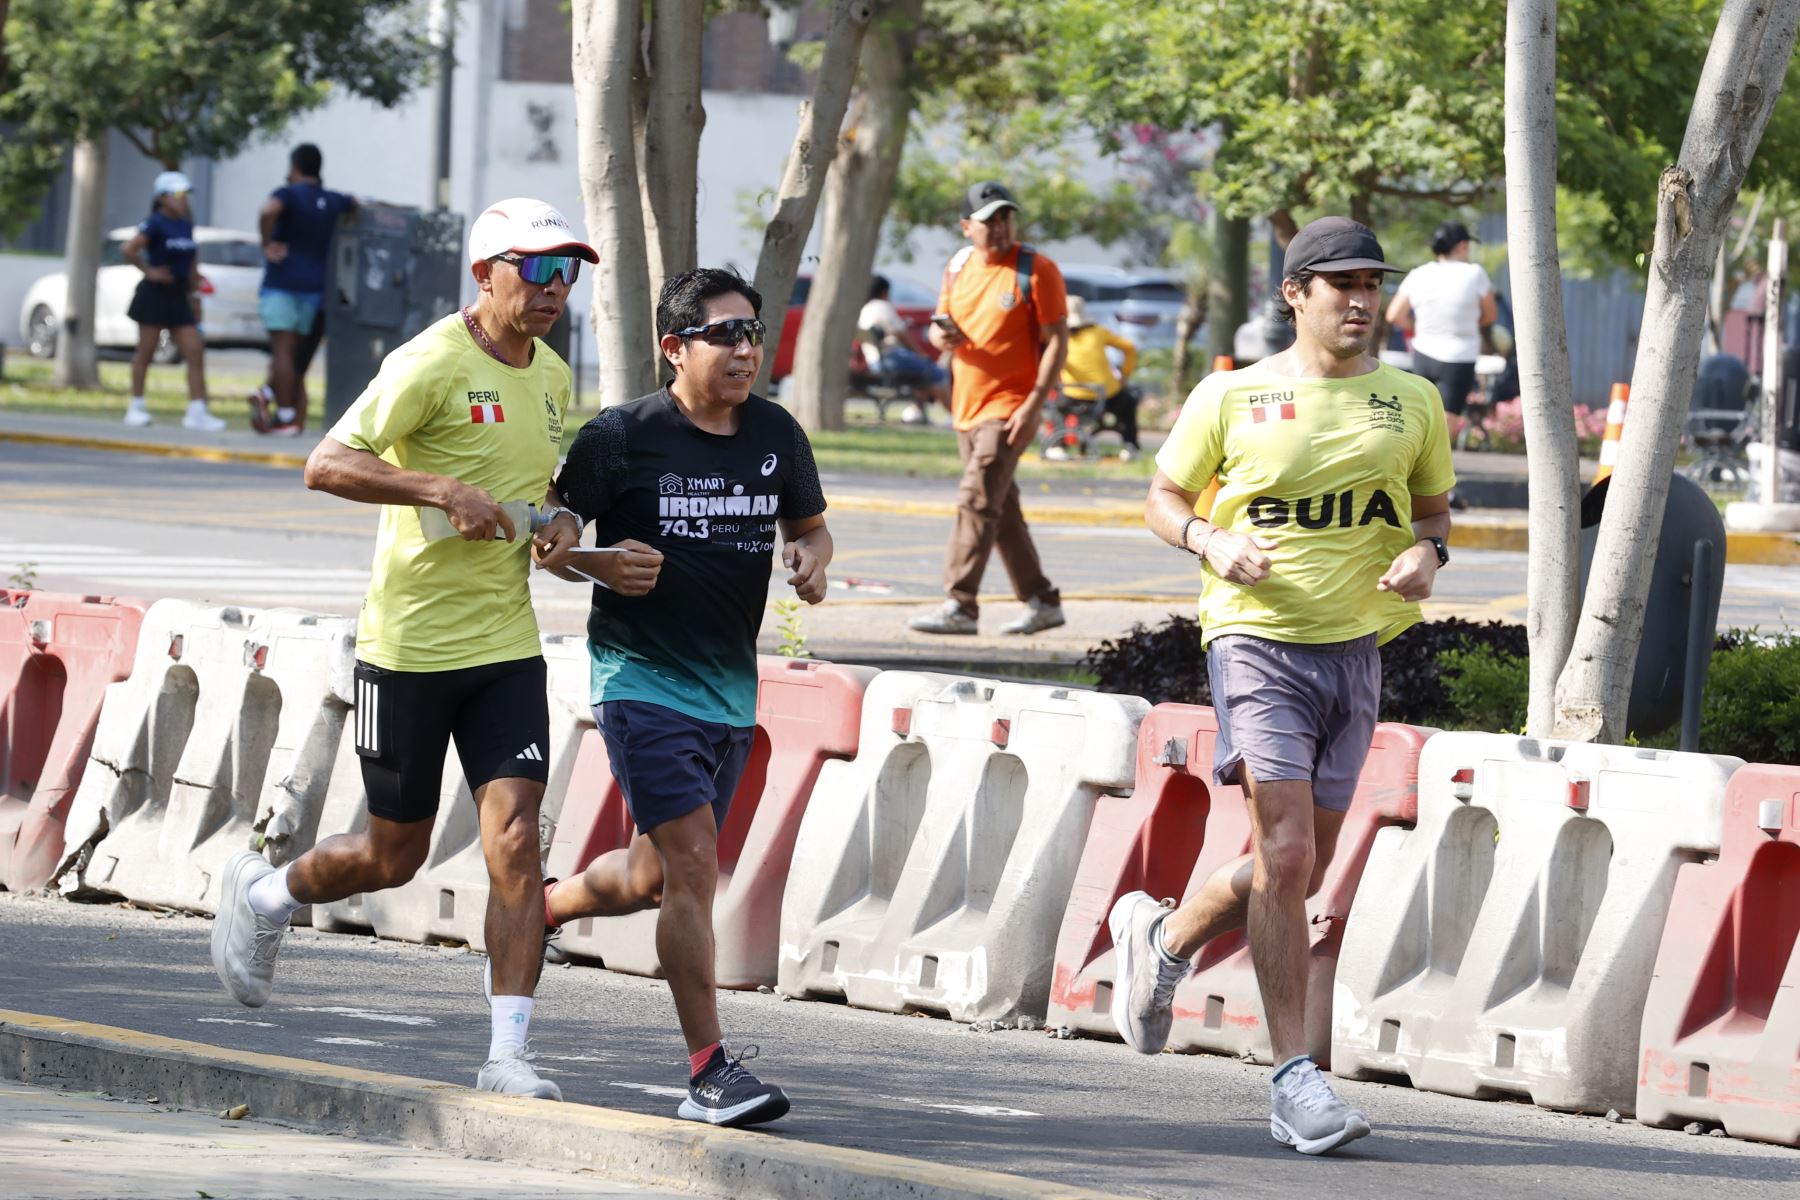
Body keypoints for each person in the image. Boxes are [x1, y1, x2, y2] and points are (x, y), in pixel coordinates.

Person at [209, 197, 594, 1101]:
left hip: (505, 647)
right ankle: (264, 894)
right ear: (484, 274)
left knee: (512, 844)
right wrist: (435, 486)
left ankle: (507, 1057)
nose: (554, 290)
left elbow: (541, 495)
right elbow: (326, 463)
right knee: (394, 855)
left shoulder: (552, 376)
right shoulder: (428, 361)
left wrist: (563, 524)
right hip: (410, 649)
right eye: (536, 269)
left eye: (566, 270)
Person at [1111, 216, 1454, 1156]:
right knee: (1290, 852)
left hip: (1356, 649)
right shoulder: (1231, 394)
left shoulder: (1412, 400)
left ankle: (1162, 941)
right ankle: (1293, 1080)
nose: (1360, 299)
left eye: (1371, 284)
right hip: (1255, 641)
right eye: (1338, 283)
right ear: (1294, 293)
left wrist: (1429, 556)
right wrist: (1209, 539)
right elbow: (1162, 498)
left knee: (1289, 866)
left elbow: (1432, 515)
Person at [537, 267, 831, 1128]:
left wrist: (812, 558)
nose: (746, 349)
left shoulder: (776, 431)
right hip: (640, 679)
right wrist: (597, 560)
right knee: (697, 866)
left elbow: (807, 527)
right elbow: (549, 538)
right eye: (725, 335)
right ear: (675, 347)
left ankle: (545, 905)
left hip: (730, 694)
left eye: (753, 332)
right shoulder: (620, 437)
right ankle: (709, 1072)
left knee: (658, 874)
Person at [907, 180, 1069, 637]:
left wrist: (1035, 405)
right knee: (998, 509)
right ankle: (1041, 600)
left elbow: (1058, 342)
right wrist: (944, 337)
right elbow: (940, 330)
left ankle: (960, 604)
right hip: (966, 406)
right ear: (966, 227)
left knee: (976, 499)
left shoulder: (1037, 270)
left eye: (1006, 217)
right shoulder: (958, 266)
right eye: (988, 220)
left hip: (1011, 408)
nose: (999, 227)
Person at [250, 143, 357, 436]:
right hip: (315, 290)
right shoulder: (332, 199)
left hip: (282, 284)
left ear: (294, 165)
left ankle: (284, 415)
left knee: (282, 352)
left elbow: (268, 210)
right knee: (295, 356)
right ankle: (267, 396)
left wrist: (266, 242)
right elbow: (357, 203)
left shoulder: (287, 194)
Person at [121, 171, 226, 432]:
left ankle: (197, 411)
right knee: (146, 351)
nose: (183, 200)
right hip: (155, 294)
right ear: (163, 198)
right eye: (178, 194)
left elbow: (191, 261)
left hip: (179, 296)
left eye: (185, 195)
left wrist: (196, 295)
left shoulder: (186, 224)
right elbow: (129, 249)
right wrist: (150, 271)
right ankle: (135, 406)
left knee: (194, 350)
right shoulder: (154, 223)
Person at [1384, 220, 1496, 417]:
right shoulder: (1474, 274)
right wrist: (1470, 324)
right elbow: (1490, 315)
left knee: (1421, 418)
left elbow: (1394, 315)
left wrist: (1417, 326)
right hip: (1460, 357)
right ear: (1462, 245)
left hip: (1423, 354)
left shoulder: (1419, 274)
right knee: (1446, 426)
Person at [1058, 294, 1141, 461]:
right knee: (1129, 402)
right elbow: (1130, 348)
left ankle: (1058, 446)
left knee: (1056, 406)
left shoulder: (1059, 336)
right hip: (1106, 395)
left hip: (1073, 396)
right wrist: (1124, 375)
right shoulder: (1097, 332)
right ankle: (1130, 445)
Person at [858, 273, 949, 411]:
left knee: (922, 373)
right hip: (890, 359)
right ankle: (951, 414)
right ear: (884, 291)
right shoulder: (882, 306)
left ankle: (914, 412)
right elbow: (901, 333)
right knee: (935, 371)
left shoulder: (865, 309)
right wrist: (921, 354)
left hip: (875, 362)